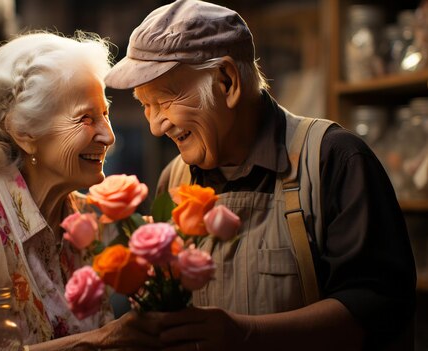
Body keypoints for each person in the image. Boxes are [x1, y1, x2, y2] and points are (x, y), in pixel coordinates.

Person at [104, 0, 416, 350]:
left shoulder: (334, 159)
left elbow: (380, 308)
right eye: (145, 105)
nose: (156, 126)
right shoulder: (174, 180)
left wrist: (248, 334)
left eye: (164, 101)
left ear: (226, 81)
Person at [0, 32, 157, 350]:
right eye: (86, 118)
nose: (108, 136)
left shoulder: (86, 217)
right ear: (24, 131)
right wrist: (99, 340)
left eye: (106, 114)